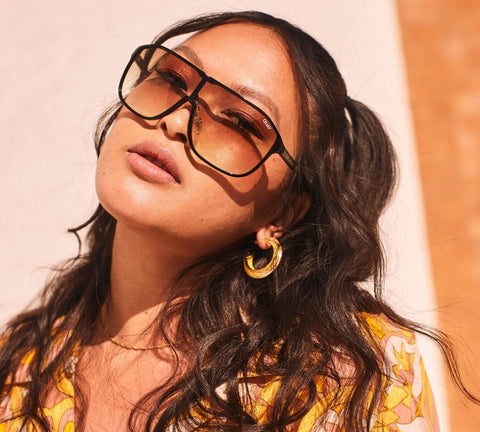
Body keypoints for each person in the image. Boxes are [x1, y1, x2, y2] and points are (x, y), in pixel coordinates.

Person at [0, 10, 474, 432]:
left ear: (283, 213)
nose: (177, 121)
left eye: (242, 122)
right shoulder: (18, 368)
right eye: (172, 78)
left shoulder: (348, 379)